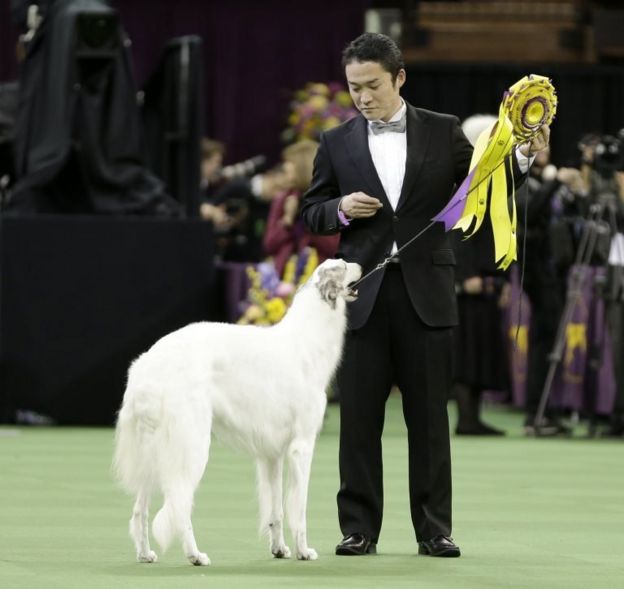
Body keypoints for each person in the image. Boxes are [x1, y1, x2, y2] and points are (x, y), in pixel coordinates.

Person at [301, 32, 549, 557]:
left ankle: (434, 529)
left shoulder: (444, 131)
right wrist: (341, 207)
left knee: (431, 422)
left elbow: (483, 187)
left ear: (400, 78)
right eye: (354, 88)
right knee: (359, 422)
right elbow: (312, 210)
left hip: (429, 295)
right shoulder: (335, 141)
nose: (363, 97)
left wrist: (523, 157)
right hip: (362, 299)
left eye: (372, 86)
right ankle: (358, 529)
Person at [452, 115, 510, 436]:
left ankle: (472, 416)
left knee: (482, 348)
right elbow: (454, 233)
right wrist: (462, 278)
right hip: (467, 282)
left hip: (486, 278)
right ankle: (465, 417)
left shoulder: (490, 178)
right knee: (467, 350)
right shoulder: (461, 180)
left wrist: (500, 278)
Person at [263, 140, 339, 275]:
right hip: (285, 278)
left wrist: (311, 218)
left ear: (304, 166)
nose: (285, 167)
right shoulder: (283, 199)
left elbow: (335, 247)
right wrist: (287, 220)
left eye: (290, 162)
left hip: (321, 276)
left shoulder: (331, 199)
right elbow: (269, 245)